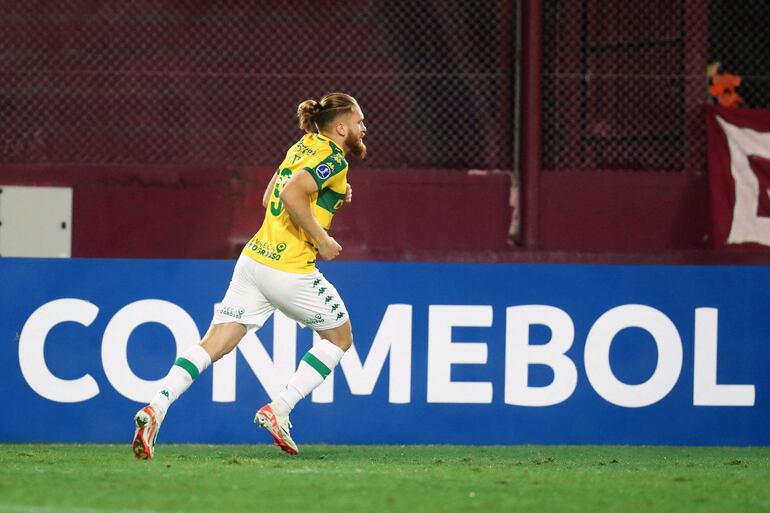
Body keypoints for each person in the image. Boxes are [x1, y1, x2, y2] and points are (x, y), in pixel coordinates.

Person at [131, 92, 367, 459]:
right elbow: (290, 194)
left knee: (215, 344)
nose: (363, 128)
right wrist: (322, 239)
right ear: (341, 127)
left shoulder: (302, 146)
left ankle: (155, 407)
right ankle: (280, 408)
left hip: (254, 262)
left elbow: (270, 194)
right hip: (289, 269)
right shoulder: (334, 158)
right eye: (358, 122)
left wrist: (331, 195)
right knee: (339, 339)